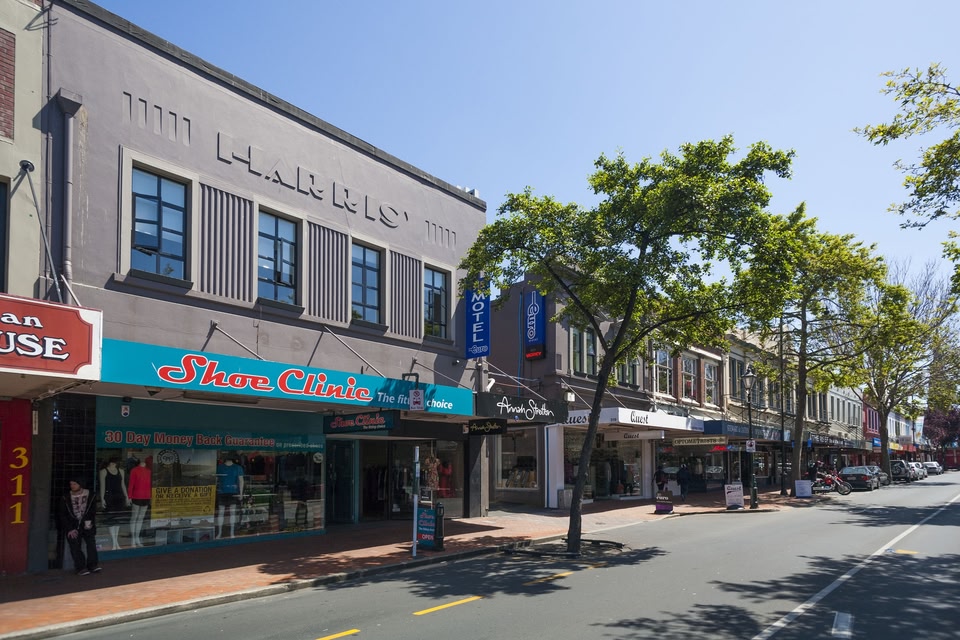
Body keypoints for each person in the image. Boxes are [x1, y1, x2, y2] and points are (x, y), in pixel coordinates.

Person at [58, 478, 101, 575]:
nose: (72, 486)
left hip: (87, 523)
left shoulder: (91, 495)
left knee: (91, 544)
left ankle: (93, 565)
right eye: (71, 484)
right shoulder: (66, 497)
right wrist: (69, 528)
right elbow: (62, 514)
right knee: (75, 546)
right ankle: (80, 567)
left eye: (74, 484)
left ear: (80, 484)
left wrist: (90, 522)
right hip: (72, 525)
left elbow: (93, 510)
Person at [99, 458, 131, 549]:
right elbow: (102, 486)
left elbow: (123, 484)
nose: (114, 464)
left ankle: (116, 541)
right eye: (112, 462)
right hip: (109, 496)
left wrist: (126, 497)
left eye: (115, 463)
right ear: (109, 462)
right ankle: (114, 542)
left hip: (119, 497)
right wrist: (102, 499)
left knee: (118, 519)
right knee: (111, 519)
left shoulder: (121, 471)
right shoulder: (103, 471)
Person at [127, 459, 152, 547]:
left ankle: (137, 537)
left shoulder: (149, 471)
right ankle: (133, 538)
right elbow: (131, 484)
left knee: (140, 518)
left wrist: (150, 496)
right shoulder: (134, 470)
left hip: (146, 496)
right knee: (134, 517)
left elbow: (150, 484)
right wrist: (129, 496)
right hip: (136, 496)